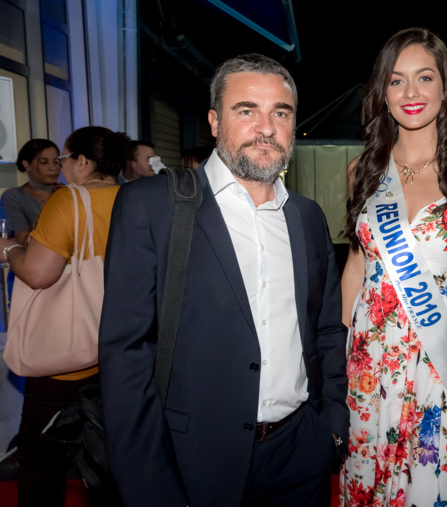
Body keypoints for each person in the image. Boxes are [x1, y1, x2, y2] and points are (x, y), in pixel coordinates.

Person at [98, 54, 348, 506]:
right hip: (193, 463)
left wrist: (330, 427)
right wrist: (149, 485)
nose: (266, 128)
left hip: (301, 455)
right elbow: (126, 355)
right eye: (247, 110)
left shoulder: (307, 217)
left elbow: (326, 329)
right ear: (214, 121)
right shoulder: (151, 207)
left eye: (281, 113)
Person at [340, 28, 447, 506]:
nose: (411, 92)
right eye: (396, 80)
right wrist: (338, 366)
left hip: (441, 356)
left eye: (424, 77)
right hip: (370, 356)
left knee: (436, 480)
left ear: (445, 87)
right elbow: (356, 268)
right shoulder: (361, 171)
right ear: (383, 94)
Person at [0, 126, 129, 506]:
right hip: (124, 349)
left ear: (83, 162)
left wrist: (8, 251)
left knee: (40, 455)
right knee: (112, 449)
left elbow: (39, 273)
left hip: (68, 361)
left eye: (64, 159)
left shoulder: (69, 200)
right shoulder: (136, 198)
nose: (62, 167)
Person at [0, 139, 61, 245]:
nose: (53, 168)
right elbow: (23, 240)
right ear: (27, 165)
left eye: (56, 162)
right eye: (44, 162)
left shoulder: (65, 193)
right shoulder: (13, 196)